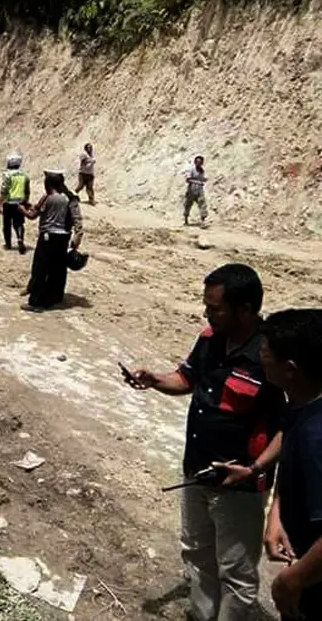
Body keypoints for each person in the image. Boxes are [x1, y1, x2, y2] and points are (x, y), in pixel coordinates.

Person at [125, 263, 284, 621]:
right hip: (196, 471)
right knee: (196, 552)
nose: (207, 313)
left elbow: (289, 427)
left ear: (245, 310)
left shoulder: (271, 355)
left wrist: (255, 469)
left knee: (237, 572)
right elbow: (186, 378)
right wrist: (154, 380)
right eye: (206, 305)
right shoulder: (211, 338)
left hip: (238, 484)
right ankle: (201, 615)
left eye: (215, 308)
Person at [258, 309, 322, 620]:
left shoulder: (317, 437)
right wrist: (277, 513)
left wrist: (291, 580)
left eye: (265, 352)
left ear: (291, 369)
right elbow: (289, 453)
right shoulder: (301, 401)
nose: (259, 356)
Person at [18, 170, 83, 312]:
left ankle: (36, 302)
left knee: (40, 269)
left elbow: (32, 215)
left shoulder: (47, 198)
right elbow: (77, 219)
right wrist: (78, 236)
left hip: (47, 238)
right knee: (58, 269)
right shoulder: (70, 198)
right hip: (63, 237)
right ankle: (55, 298)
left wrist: (21, 208)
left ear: (48, 184)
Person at [0, 152, 30, 254]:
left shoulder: (7, 175)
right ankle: (20, 238)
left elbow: (4, 190)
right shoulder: (25, 175)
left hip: (9, 202)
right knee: (19, 223)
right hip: (20, 203)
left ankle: (8, 244)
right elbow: (27, 190)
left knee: (7, 224)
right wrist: (26, 201)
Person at [185, 155, 209, 228]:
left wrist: (203, 180)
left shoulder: (202, 170)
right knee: (188, 204)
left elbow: (201, 179)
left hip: (200, 189)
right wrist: (198, 182)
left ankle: (203, 221)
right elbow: (188, 179)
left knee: (202, 204)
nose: (199, 163)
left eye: (200, 162)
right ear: (195, 162)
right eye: (197, 162)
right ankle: (186, 219)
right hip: (192, 189)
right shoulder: (191, 169)